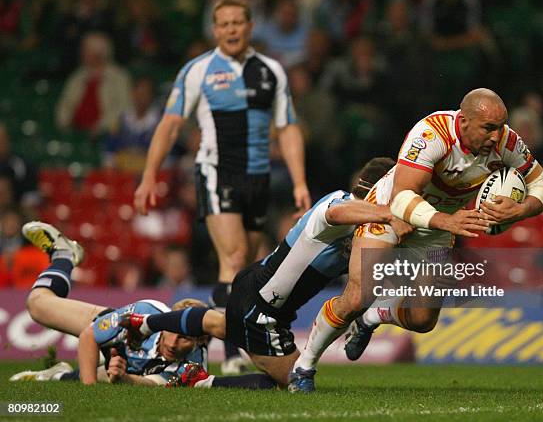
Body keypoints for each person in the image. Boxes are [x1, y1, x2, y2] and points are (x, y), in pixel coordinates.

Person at [289, 88, 543, 392]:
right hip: (391, 212)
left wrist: (519, 210)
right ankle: (304, 367)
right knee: (358, 296)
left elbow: (542, 184)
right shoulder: (432, 133)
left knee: (423, 319)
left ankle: (376, 315)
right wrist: (448, 221)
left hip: (439, 224)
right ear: (464, 121)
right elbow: (402, 196)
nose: (497, 136)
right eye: (489, 128)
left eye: (500, 127)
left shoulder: (506, 141)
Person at [133, 0, 311, 374]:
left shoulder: (271, 71)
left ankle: (230, 340)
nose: (231, 29)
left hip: (258, 178)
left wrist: (299, 181)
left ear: (250, 26)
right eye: (224, 23)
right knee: (232, 259)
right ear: (215, 30)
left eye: (238, 22)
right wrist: (149, 175)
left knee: (246, 266)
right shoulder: (197, 71)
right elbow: (170, 124)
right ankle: (231, 355)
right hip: (217, 172)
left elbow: (288, 128)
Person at [121, 157, 412, 388]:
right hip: (262, 311)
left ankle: (147, 322)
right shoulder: (343, 207)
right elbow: (335, 214)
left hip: (257, 289)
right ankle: (201, 382)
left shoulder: (362, 223)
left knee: (222, 325)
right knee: (288, 381)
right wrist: (388, 213)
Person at [10, 221, 275, 390]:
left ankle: (57, 376)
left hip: (124, 361)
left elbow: (150, 383)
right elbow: (90, 335)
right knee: (37, 305)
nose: (173, 343)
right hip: (108, 329)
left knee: (110, 376)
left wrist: (121, 377)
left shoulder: (192, 368)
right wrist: (88, 390)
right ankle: (64, 255)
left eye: (185, 339)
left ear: (200, 342)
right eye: (173, 331)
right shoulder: (145, 312)